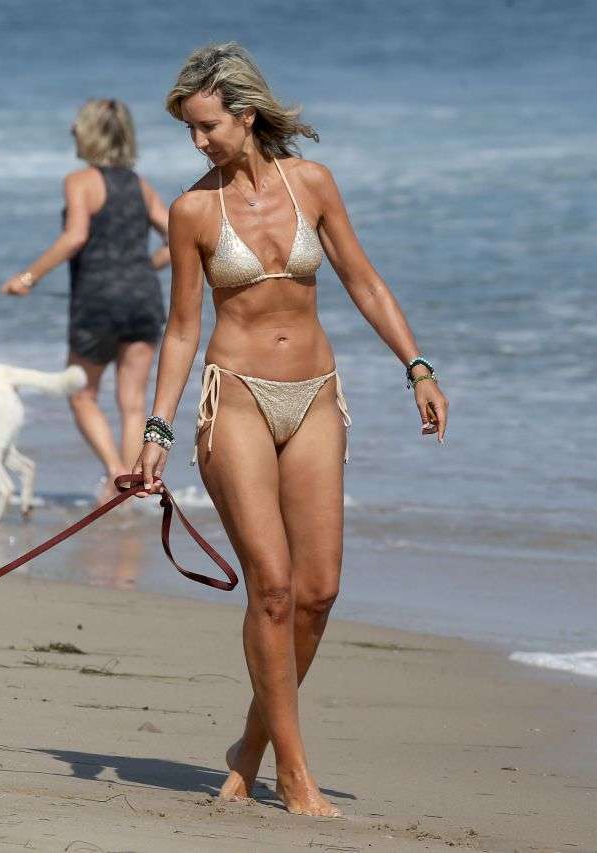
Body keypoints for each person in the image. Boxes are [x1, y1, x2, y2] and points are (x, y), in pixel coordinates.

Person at [131, 43, 449, 817]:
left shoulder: (311, 185)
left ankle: (251, 744)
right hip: (232, 397)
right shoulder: (192, 211)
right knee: (271, 587)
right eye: (188, 131)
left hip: (314, 396)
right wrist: (156, 429)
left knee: (318, 591)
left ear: (245, 112)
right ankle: (295, 775)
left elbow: (364, 280)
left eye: (207, 126)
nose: (198, 142)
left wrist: (417, 366)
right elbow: (180, 330)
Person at [2, 99, 171, 502]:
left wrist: (28, 277)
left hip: (97, 301)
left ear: (90, 134)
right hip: (143, 297)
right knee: (133, 402)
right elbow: (177, 236)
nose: (72, 134)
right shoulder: (140, 185)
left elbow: (75, 236)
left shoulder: (80, 181)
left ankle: (114, 473)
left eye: (77, 128)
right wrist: (148, 266)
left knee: (81, 394)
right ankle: (133, 483)